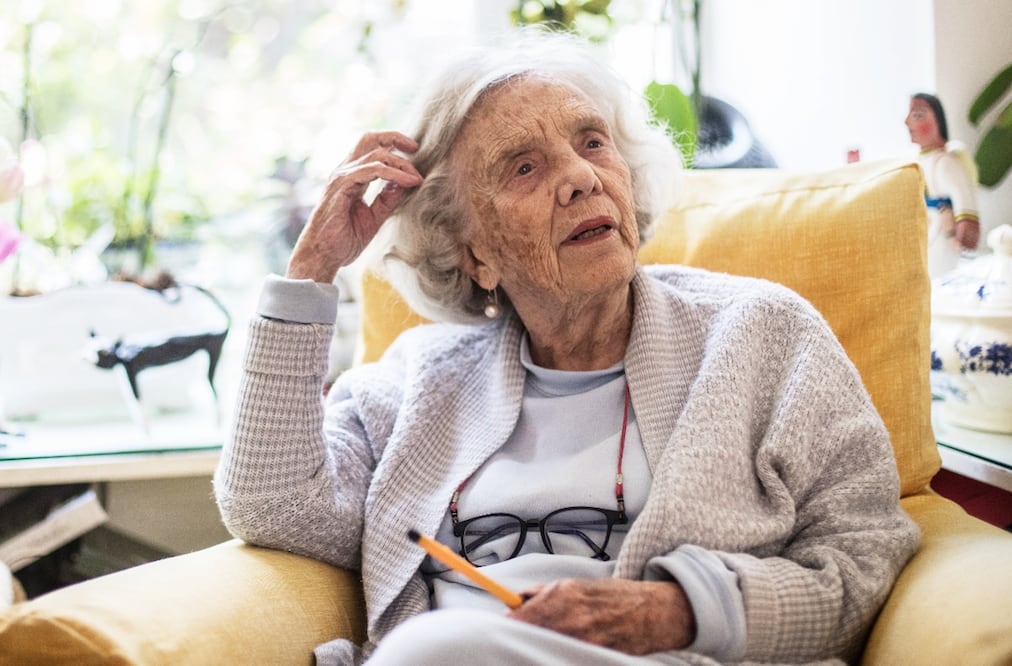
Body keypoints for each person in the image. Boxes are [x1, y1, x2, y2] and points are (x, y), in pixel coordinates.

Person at [214, 32, 919, 665]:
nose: (582, 177)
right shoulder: (419, 382)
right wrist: (310, 274)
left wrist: (675, 611)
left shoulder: (760, 334)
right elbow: (272, 505)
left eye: (592, 143)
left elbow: (861, 555)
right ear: (476, 255)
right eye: (523, 168)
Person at [905, 92, 981, 279]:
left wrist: (961, 239)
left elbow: (964, 202)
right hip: (927, 235)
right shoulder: (919, 161)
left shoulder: (945, 162)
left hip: (944, 239)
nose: (907, 122)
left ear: (937, 121)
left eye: (918, 115)